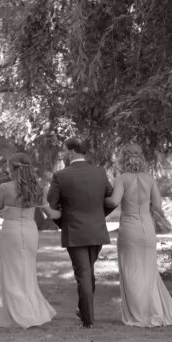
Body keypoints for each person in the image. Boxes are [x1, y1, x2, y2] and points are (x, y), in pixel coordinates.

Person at [0, 153, 56, 328]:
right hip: (30, 230)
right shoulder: (37, 188)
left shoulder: (5, 188)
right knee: (27, 270)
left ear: (12, 168)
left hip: (11, 231)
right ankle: (30, 310)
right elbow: (50, 214)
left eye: (7, 166)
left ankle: (17, 312)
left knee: (11, 271)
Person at [44, 136, 114, 329]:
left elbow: (51, 205)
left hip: (74, 231)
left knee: (84, 274)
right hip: (96, 230)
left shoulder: (61, 176)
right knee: (88, 273)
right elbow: (111, 200)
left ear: (73, 151)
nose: (63, 153)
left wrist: (63, 221)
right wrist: (100, 215)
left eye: (64, 150)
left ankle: (88, 319)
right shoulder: (100, 173)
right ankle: (84, 310)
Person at [107, 143, 172, 326]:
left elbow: (113, 201)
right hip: (147, 226)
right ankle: (153, 310)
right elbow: (158, 207)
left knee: (131, 271)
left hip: (130, 227)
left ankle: (138, 314)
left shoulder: (122, 179)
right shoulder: (150, 179)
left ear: (123, 158)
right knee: (148, 270)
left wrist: (101, 197)